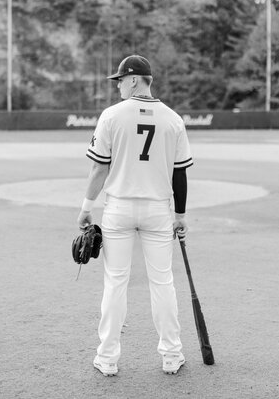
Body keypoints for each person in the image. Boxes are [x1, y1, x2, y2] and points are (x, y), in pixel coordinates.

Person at [77, 54, 193, 377]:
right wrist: (180, 216)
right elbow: (179, 174)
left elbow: (99, 167)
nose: (117, 87)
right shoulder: (173, 119)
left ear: (133, 80)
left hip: (119, 208)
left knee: (115, 283)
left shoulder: (111, 116)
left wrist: (86, 207)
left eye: (119, 82)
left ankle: (108, 358)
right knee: (163, 282)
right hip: (158, 210)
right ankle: (172, 355)